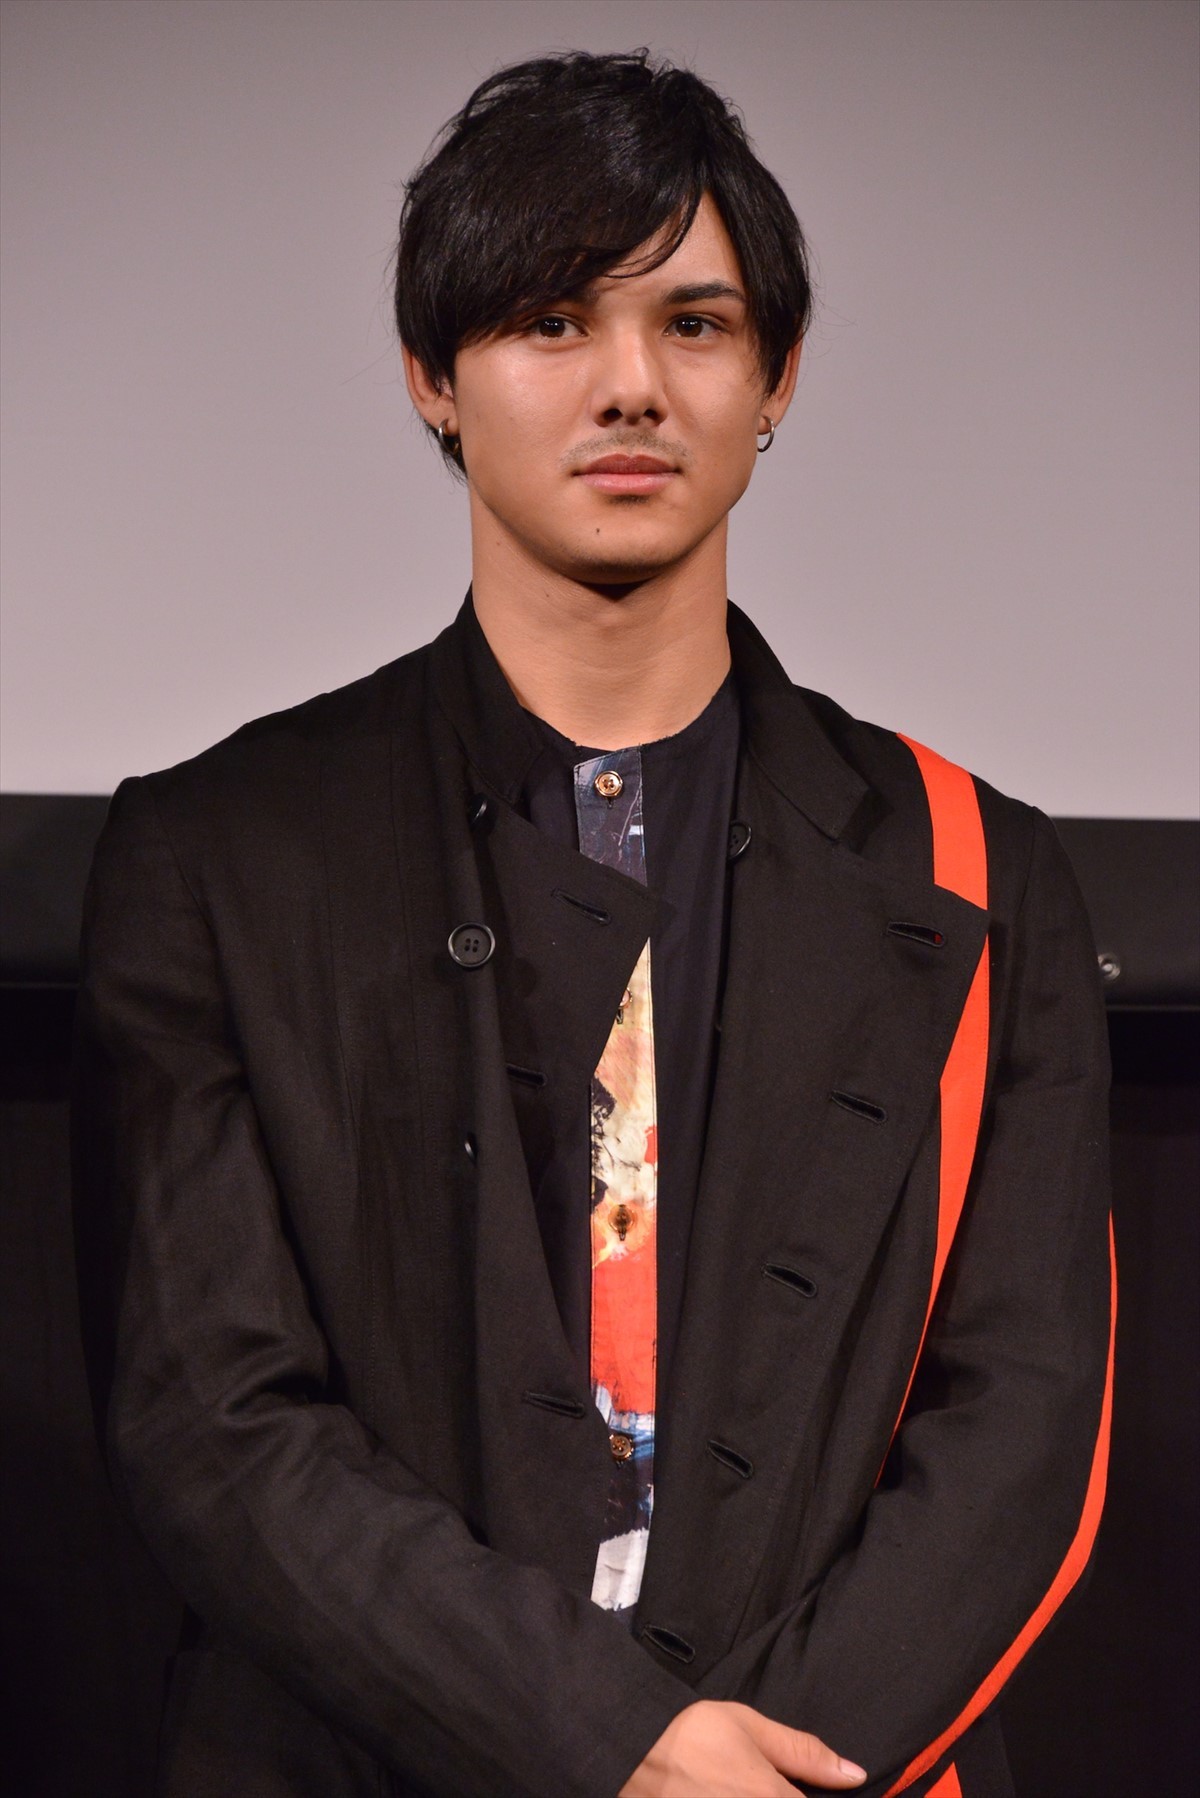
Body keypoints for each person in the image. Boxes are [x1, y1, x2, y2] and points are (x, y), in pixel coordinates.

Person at [73, 48, 1115, 1798]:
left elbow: (1023, 1427)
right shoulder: (221, 851)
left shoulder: (977, 867)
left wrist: (754, 1778)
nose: (631, 384)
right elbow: (214, 1419)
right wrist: (609, 1744)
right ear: (434, 376)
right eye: (552, 320)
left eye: (695, 324)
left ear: (778, 376)